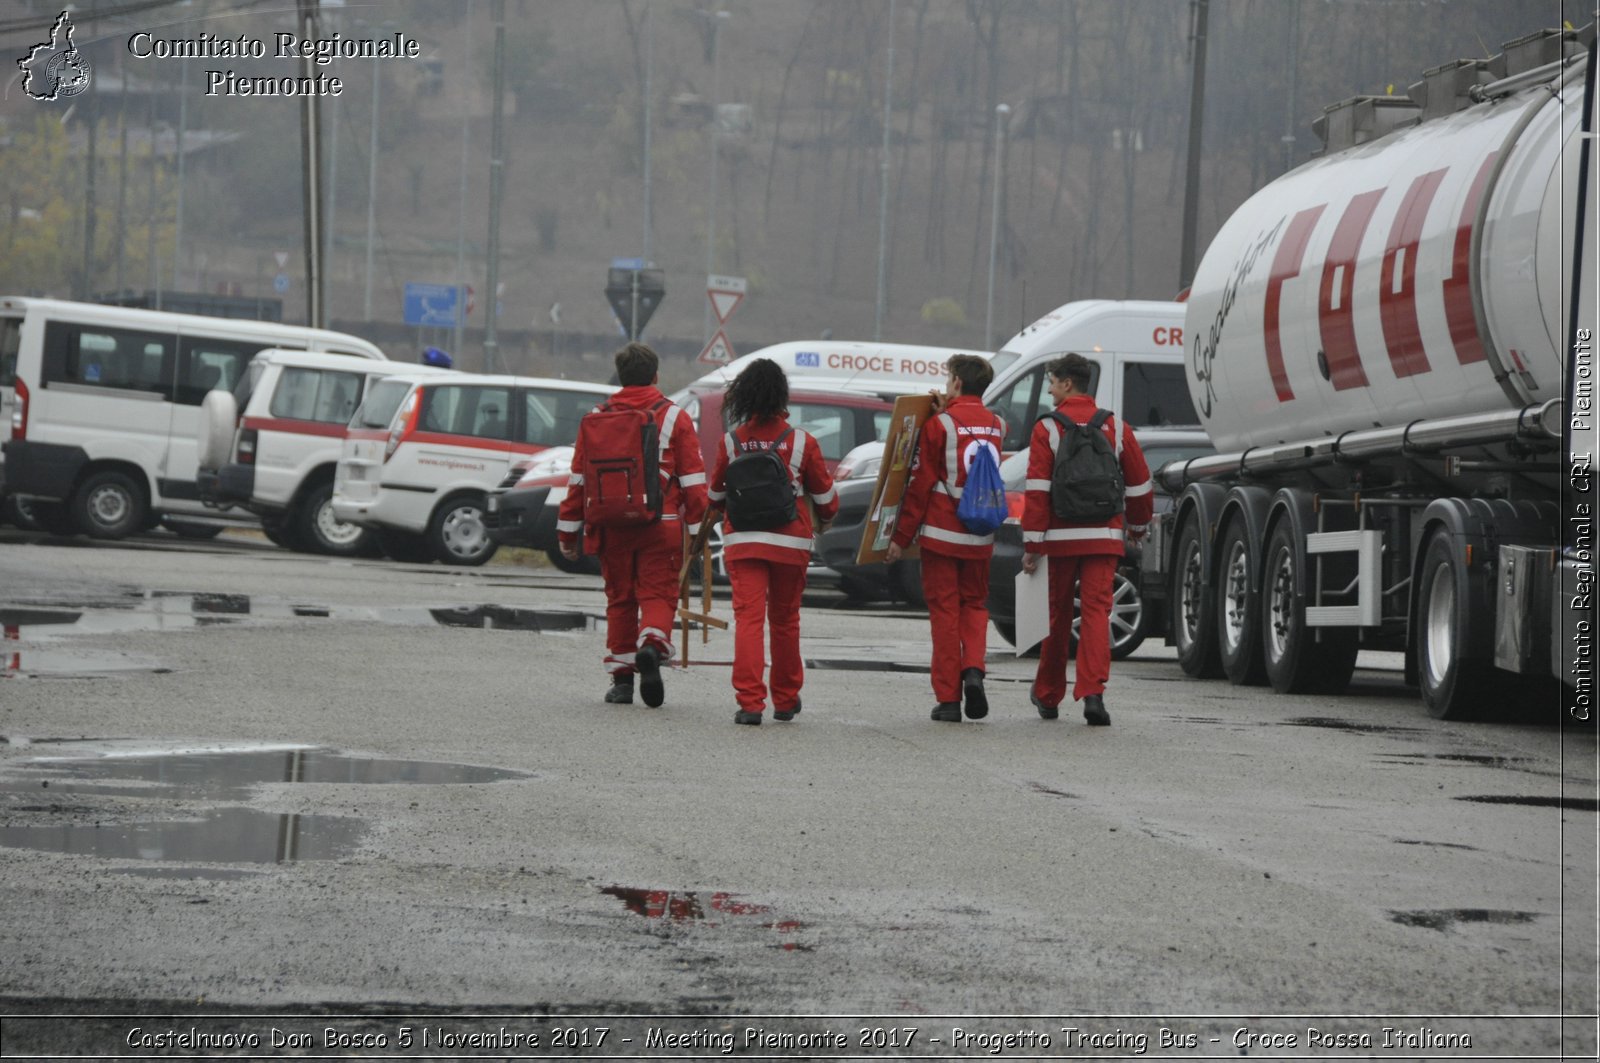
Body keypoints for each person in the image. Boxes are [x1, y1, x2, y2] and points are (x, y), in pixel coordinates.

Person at [558, 342, 708, 708]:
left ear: (620, 376)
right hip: (662, 525)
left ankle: (622, 681)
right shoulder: (675, 417)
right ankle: (653, 646)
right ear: (655, 376)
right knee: (658, 594)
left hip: (610, 526)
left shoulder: (596, 417)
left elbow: (579, 480)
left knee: (620, 599)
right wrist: (697, 533)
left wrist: (567, 532)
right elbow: (692, 482)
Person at [1021, 352, 1152, 726]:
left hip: (1061, 537)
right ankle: (1093, 693)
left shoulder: (1047, 428)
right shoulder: (1116, 426)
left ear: (1066, 383)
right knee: (1097, 612)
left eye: (1051, 382)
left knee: (1059, 615)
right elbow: (1140, 484)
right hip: (1104, 534)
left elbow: (1037, 490)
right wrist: (1137, 527)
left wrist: (1033, 545)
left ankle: (1047, 694)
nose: (1048, 389)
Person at [708, 358, 839, 726]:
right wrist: (824, 520)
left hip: (744, 542)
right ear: (782, 395)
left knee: (748, 620)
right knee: (785, 620)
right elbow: (827, 500)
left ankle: (750, 704)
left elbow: (715, 499)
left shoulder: (731, 443)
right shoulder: (802, 442)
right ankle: (785, 699)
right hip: (790, 544)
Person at [885, 354, 1007, 723]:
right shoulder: (999, 425)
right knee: (974, 606)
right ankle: (973, 669)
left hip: (941, 533)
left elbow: (920, 485)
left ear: (955, 382)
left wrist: (899, 536)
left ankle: (949, 699)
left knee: (944, 613)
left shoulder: (939, 426)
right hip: (980, 535)